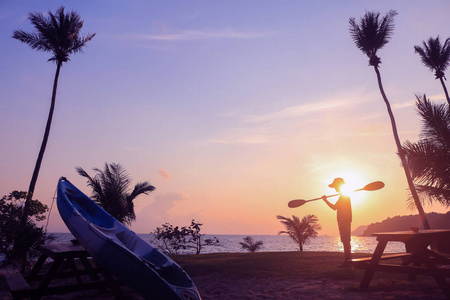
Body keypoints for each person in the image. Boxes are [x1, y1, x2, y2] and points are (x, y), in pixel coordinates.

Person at [322, 177, 352, 266]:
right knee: (345, 241)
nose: (334, 188)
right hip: (344, 221)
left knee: (346, 241)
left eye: (335, 186)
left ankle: (348, 261)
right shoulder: (343, 196)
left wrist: (325, 200)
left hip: (344, 221)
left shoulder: (343, 197)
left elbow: (334, 208)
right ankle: (348, 260)